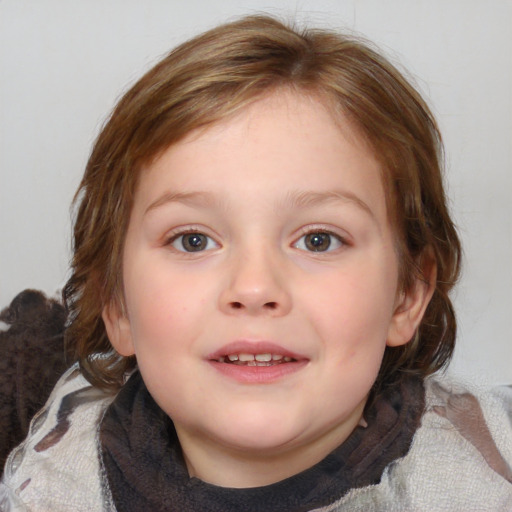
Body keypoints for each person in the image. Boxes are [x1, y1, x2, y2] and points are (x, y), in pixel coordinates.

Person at [1, 14, 511, 512]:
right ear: (116, 304)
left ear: (407, 295)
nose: (254, 286)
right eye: (193, 241)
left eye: (318, 240)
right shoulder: (46, 474)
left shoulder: (487, 474)